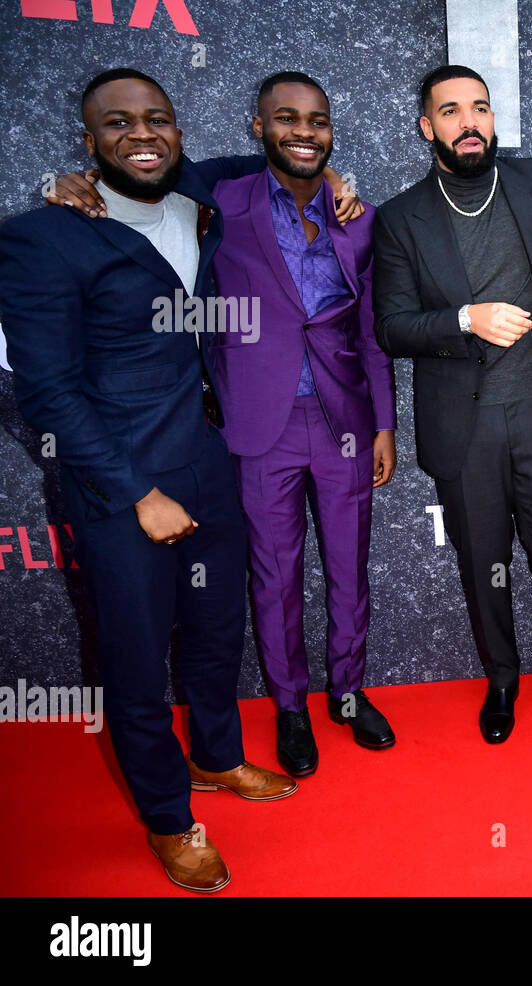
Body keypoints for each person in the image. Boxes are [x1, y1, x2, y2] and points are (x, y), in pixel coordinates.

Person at [0, 68, 297, 893]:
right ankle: (170, 819)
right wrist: (137, 493)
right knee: (134, 665)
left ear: (178, 130)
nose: (142, 134)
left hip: (207, 460)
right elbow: (46, 390)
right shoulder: (42, 236)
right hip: (120, 484)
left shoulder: (198, 190)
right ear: (88, 141)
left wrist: (330, 174)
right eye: (118, 123)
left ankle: (215, 757)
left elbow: (278, 152)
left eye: (157, 119)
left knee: (213, 633)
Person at [372, 65, 532, 745]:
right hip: (463, 424)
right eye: (451, 112)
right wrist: (465, 318)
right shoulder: (401, 218)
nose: (469, 123)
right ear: (427, 127)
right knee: (484, 560)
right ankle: (502, 678)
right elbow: (391, 327)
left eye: (480, 108)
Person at [205, 72, 398, 776]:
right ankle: (290, 707)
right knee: (274, 574)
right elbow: (150, 169)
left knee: (350, 569)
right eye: (285, 118)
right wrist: (63, 183)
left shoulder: (361, 216)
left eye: (317, 121)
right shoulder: (221, 203)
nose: (304, 131)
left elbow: (373, 327)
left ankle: (347, 693)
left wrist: (384, 422)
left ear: (331, 131)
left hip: (345, 417)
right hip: (261, 420)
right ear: (257, 127)